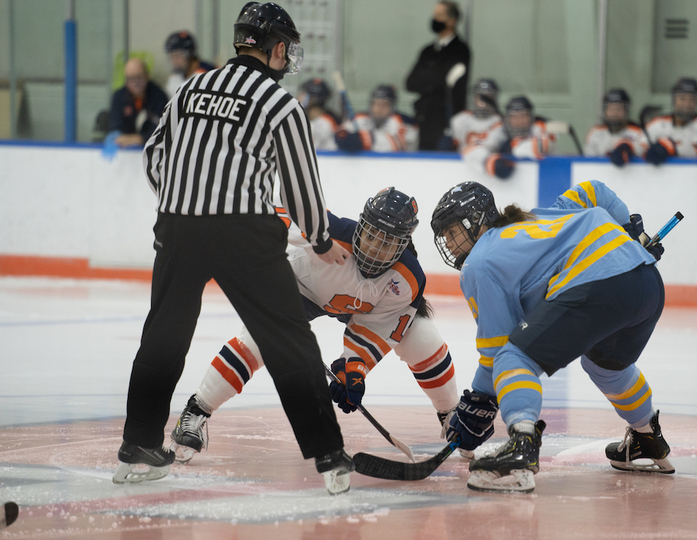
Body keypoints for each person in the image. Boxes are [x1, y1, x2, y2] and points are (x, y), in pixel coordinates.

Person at [114, 2, 354, 496]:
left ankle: (139, 445)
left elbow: (154, 153)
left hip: (179, 226)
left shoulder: (189, 88)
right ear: (278, 48)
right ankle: (329, 455)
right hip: (244, 231)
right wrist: (321, 239)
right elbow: (301, 185)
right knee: (287, 338)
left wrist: (180, 202)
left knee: (165, 332)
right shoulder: (279, 103)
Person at [170, 188, 460, 463]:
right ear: (361, 225)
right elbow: (266, 215)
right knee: (260, 340)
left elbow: (375, 330)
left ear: (403, 245)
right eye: (371, 235)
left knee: (421, 336)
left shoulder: (406, 279)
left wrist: (353, 370)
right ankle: (196, 411)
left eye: (387, 243)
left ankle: (451, 416)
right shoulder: (327, 231)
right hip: (296, 289)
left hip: (360, 310)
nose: (374, 248)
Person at [430, 180, 672, 493]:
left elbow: (498, 350)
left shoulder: (480, 262)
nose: (449, 244)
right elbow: (593, 191)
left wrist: (478, 405)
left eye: (452, 232)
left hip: (599, 283)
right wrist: (630, 232)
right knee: (606, 366)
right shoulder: (540, 217)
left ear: (476, 221)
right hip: (647, 280)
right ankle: (647, 438)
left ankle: (521, 449)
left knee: (512, 357)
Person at [405, 1, 470, 151]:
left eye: (439, 15)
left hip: (446, 121)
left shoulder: (460, 50)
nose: (434, 19)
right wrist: (436, 78)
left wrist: (428, 78)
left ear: (452, 21)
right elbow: (411, 83)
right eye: (434, 15)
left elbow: (450, 84)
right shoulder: (427, 50)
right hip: (423, 118)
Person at [462, 96, 556, 180]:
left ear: (531, 117)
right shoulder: (500, 129)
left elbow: (541, 145)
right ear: (508, 119)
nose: (519, 121)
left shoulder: (540, 127)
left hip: (550, 178)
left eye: (523, 116)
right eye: (514, 117)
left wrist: (512, 147)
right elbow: (470, 149)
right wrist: (489, 162)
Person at [643, 77, 697, 165]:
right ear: (673, 100)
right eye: (682, 99)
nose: (687, 104)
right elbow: (638, 148)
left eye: (692, 99)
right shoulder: (656, 124)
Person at [335, 85, 418, 152]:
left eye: (384, 105)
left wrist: (365, 139)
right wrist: (343, 136)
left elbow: (397, 146)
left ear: (392, 107)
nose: (378, 109)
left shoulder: (405, 123)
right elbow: (340, 132)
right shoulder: (360, 118)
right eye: (375, 104)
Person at [107, 58, 168, 147]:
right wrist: (119, 138)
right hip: (125, 152)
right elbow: (115, 127)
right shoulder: (119, 97)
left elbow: (162, 130)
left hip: (154, 150)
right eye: (131, 78)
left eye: (139, 76)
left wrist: (140, 138)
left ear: (147, 76)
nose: (135, 82)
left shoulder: (159, 96)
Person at [584, 88, 648, 166]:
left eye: (618, 109)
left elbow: (644, 153)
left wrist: (630, 149)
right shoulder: (595, 132)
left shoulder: (638, 132)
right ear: (605, 111)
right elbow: (588, 161)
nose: (614, 114)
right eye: (611, 109)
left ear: (626, 111)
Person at [446, 78, 502, 152]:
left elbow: (494, 147)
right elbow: (448, 147)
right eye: (481, 97)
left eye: (488, 97)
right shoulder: (460, 119)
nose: (484, 103)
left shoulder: (500, 122)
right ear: (475, 98)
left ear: (494, 99)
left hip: (490, 162)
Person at [164, 31, 216, 96]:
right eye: (172, 56)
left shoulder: (208, 74)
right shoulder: (174, 76)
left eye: (177, 55)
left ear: (189, 54)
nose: (174, 61)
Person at [296, 78, 341, 151]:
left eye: (303, 94)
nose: (299, 97)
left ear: (314, 99)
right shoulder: (300, 117)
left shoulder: (327, 122)